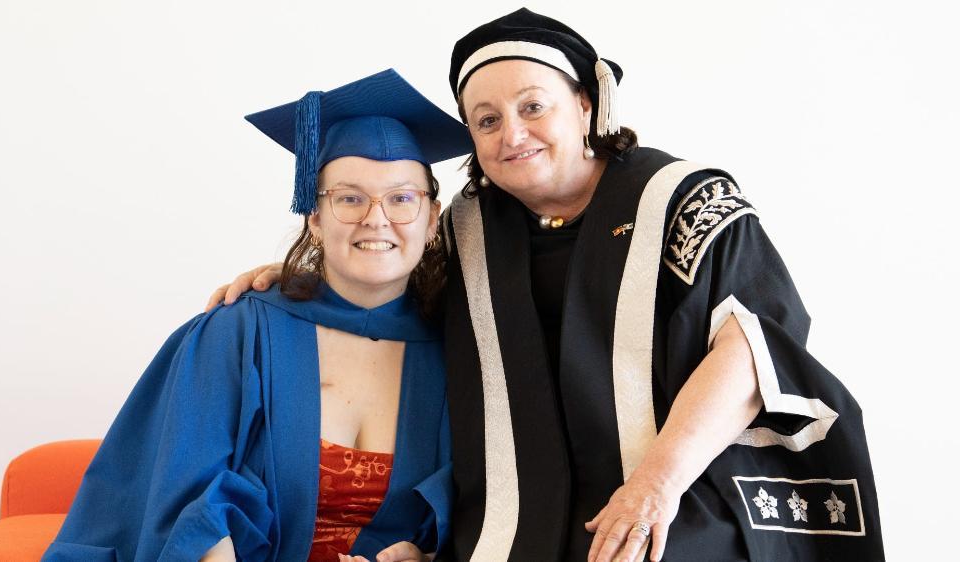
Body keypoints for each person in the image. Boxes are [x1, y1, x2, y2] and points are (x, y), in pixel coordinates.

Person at [208, 9, 884, 562]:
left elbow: (750, 353)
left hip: (679, 495)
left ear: (586, 104)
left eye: (533, 106)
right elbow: (386, 283)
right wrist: (299, 276)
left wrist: (652, 486)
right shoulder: (472, 227)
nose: (512, 133)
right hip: (520, 514)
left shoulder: (683, 201)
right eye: (486, 120)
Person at [43, 69, 472, 562]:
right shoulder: (239, 331)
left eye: (402, 198)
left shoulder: (461, 350)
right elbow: (190, 499)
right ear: (314, 217)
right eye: (349, 198)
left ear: (432, 217)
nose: (376, 218)